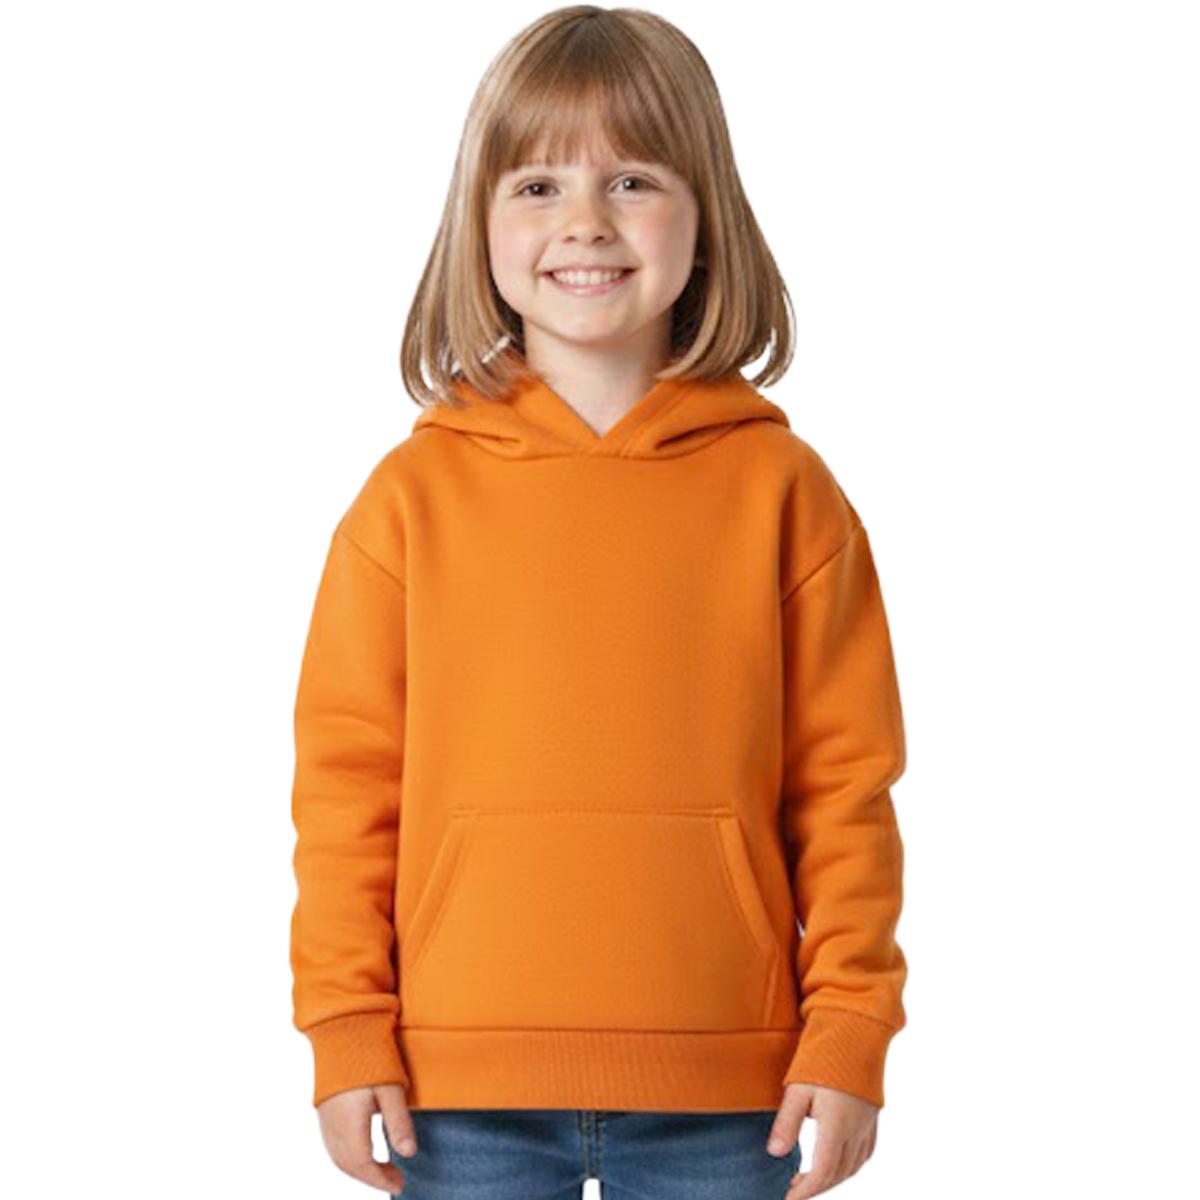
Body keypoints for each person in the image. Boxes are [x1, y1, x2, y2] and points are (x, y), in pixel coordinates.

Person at [289, 6, 909, 1198]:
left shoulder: (785, 493)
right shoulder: (409, 501)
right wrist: (344, 1024)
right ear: (478, 224)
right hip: (452, 1092)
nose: (585, 221)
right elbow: (346, 787)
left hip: (732, 1092)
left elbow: (845, 788)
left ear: (705, 216)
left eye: (632, 179)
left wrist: (850, 1028)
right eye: (537, 185)